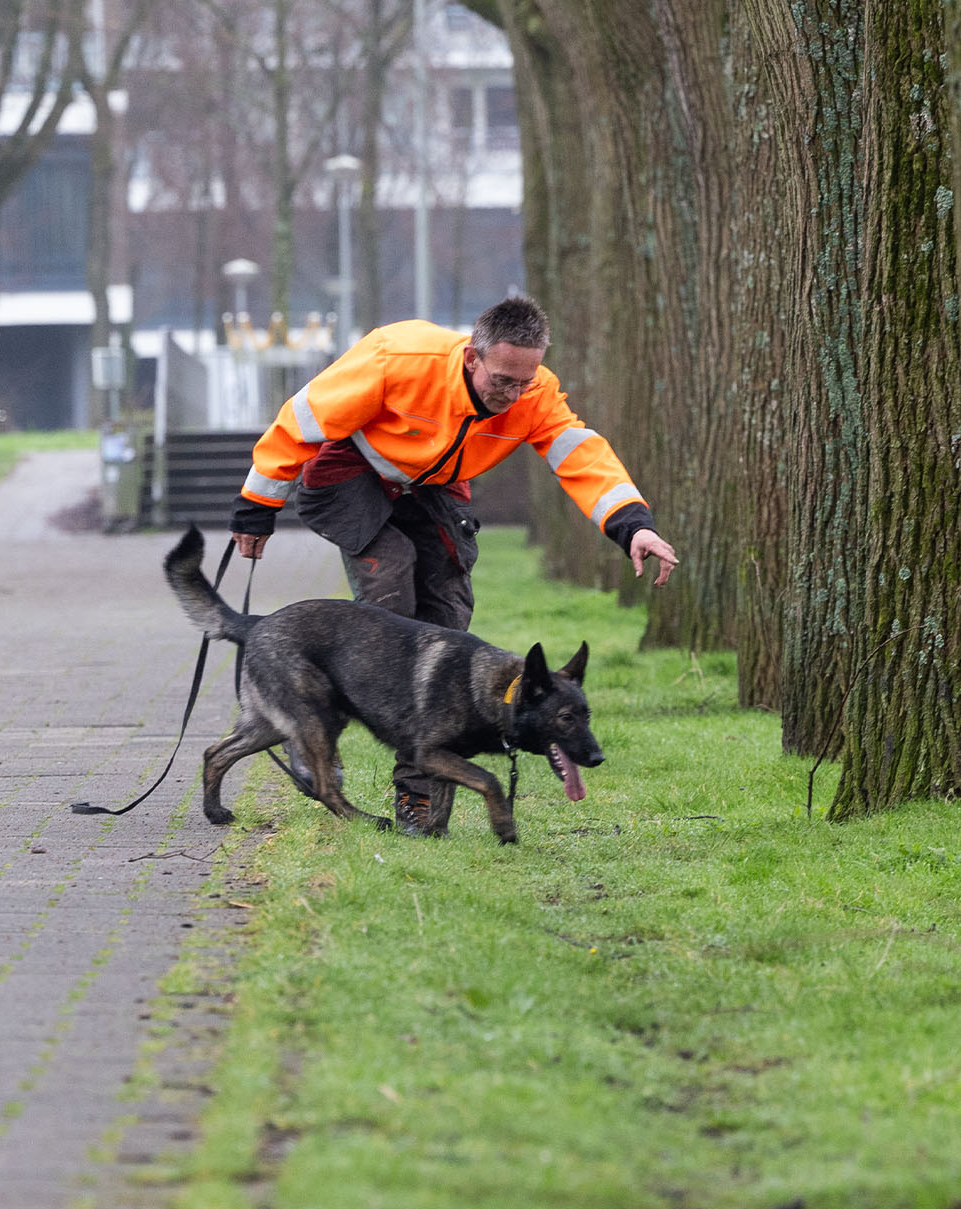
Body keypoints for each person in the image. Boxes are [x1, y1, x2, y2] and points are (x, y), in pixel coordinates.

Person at [228, 295, 679, 835]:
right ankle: (313, 744)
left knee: (446, 622)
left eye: (525, 381)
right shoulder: (399, 358)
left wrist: (635, 525)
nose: (513, 394)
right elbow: (300, 420)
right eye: (503, 379)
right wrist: (256, 511)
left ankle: (417, 795)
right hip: (351, 473)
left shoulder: (535, 394)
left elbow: (581, 455)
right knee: (392, 588)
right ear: (472, 357)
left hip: (435, 487)